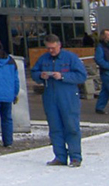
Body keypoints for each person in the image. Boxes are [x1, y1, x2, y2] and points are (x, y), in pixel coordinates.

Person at [30, 34, 88, 167]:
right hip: (50, 97)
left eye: (53, 48)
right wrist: (40, 75)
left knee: (71, 126)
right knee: (55, 128)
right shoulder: (43, 58)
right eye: (48, 48)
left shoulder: (71, 58)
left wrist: (63, 76)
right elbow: (34, 72)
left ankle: (75, 157)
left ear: (59, 45)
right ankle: (60, 156)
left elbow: (81, 76)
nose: (51, 51)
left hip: (68, 97)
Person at [95, 30, 109, 115]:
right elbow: (99, 60)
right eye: (107, 35)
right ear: (103, 36)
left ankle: (99, 107)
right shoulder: (100, 47)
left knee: (105, 91)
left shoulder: (106, 46)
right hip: (106, 72)